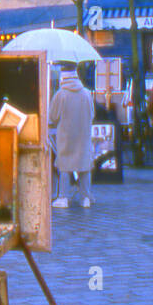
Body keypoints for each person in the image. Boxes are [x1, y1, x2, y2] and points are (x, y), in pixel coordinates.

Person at [49, 68, 95, 208]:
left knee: (64, 165)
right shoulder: (87, 93)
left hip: (66, 135)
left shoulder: (60, 94)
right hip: (83, 134)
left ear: (63, 79)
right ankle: (86, 197)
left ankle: (63, 197)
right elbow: (92, 114)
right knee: (84, 164)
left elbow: (53, 116)